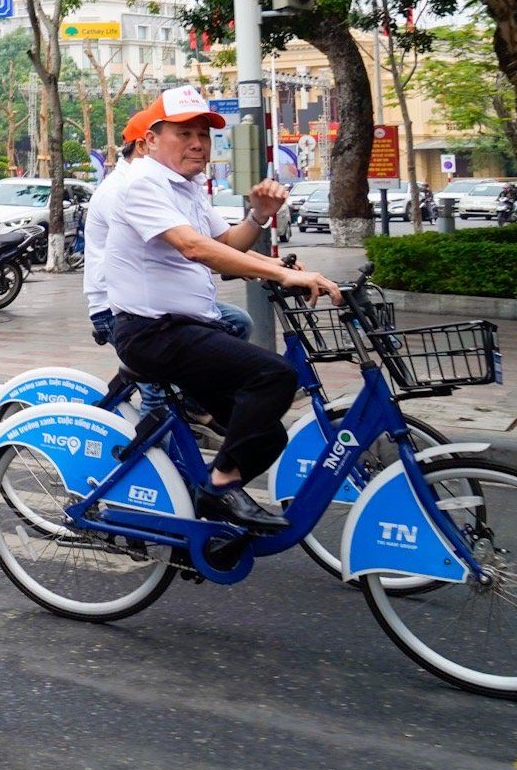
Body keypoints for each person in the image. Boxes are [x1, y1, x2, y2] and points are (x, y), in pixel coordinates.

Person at [103, 86, 340, 531]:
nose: (198, 143)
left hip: (189, 329)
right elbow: (195, 248)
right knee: (275, 375)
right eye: (185, 133)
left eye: (204, 134)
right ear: (151, 140)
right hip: (152, 333)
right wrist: (282, 275)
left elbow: (228, 243)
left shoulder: (186, 188)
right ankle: (217, 492)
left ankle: (198, 506)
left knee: (267, 435)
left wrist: (259, 217)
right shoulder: (141, 184)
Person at [81, 116, 151, 345]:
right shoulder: (120, 189)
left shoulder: (151, 184)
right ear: (142, 146)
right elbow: (174, 243)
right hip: (118, 308)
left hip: (147, 304)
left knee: (235, 320)